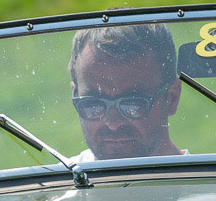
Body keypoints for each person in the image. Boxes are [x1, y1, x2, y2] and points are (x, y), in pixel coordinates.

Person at [67, 21, 184, 161]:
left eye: (133, 104)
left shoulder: (208, 181)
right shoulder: (57, 181)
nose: (113, 124)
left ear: (172, 98)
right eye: (93, 105)